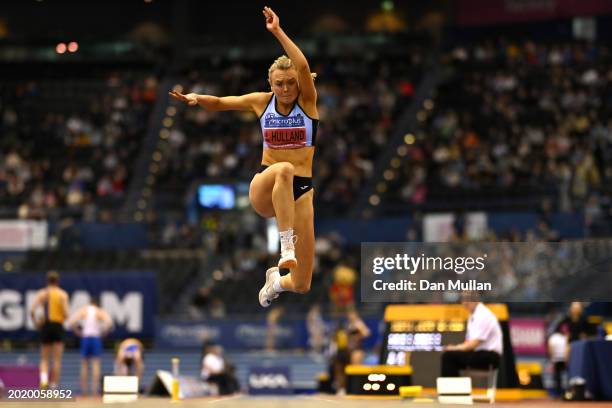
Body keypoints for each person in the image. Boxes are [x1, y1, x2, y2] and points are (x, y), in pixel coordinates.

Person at [170, 6, 318, 308]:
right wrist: (198, 98)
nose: (286, 88)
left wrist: (277, 31)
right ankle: (285, 246)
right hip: (266, 184)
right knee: (285, 168)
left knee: (302, 283)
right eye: (279, 83)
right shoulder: (261, 102)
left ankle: (275, 281)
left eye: (291, 82)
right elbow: (223, 102)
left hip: (301, 193)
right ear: (270, 84)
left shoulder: (308, 102)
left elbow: (302, 66)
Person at [441, 301, 503, 377]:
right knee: (450, 356)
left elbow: (474, 344)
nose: (465, 304)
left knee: (449, 357)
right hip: (479, 353)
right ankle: (455, 387)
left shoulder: (483, 315)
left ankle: (452, 388)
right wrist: (456, 348)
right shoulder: (473, 316)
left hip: (489, 356)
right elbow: (468, 342)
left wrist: (454, 348)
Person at [30, 271, 69, 389]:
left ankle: (43, 381)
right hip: (57, 326)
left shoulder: (42, 293)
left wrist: (37, 323)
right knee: (56, 359)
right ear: (57, 281)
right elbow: (66, 313)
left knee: (44, 358)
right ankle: (53, 385)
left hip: (46, 326)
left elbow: (32, 310)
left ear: (47, 281)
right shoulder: (62, 294)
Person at [66, 297, 113, 395]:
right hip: (96, 338)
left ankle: (84, 391)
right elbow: (109, 322)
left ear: (90, 303)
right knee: (96, 364)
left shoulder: (84, 310)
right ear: (97, 304)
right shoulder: (99, 311)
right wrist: (104, 332)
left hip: (86, 337)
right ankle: (95, 391)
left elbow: (71, 322)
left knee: (84, 364)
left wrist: (77, 331)